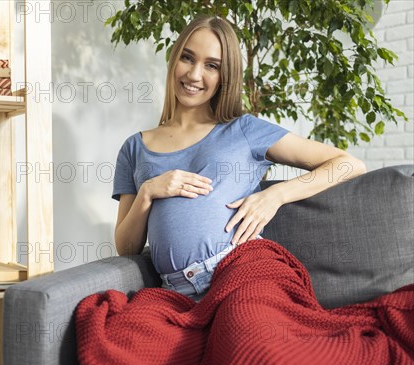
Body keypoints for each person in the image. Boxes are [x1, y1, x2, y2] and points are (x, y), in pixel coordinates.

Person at [112, 15, 367, 301]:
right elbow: (127, 248)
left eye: (212, 66)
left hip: (243, 271)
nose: (195, 75)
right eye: (187, 57)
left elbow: (349, 164)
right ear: (174, 59)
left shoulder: (244, 130)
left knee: (248, 344)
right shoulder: (135, 147)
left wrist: (277, 195)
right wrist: (148, 191)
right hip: (175, 294)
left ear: (225, 76)